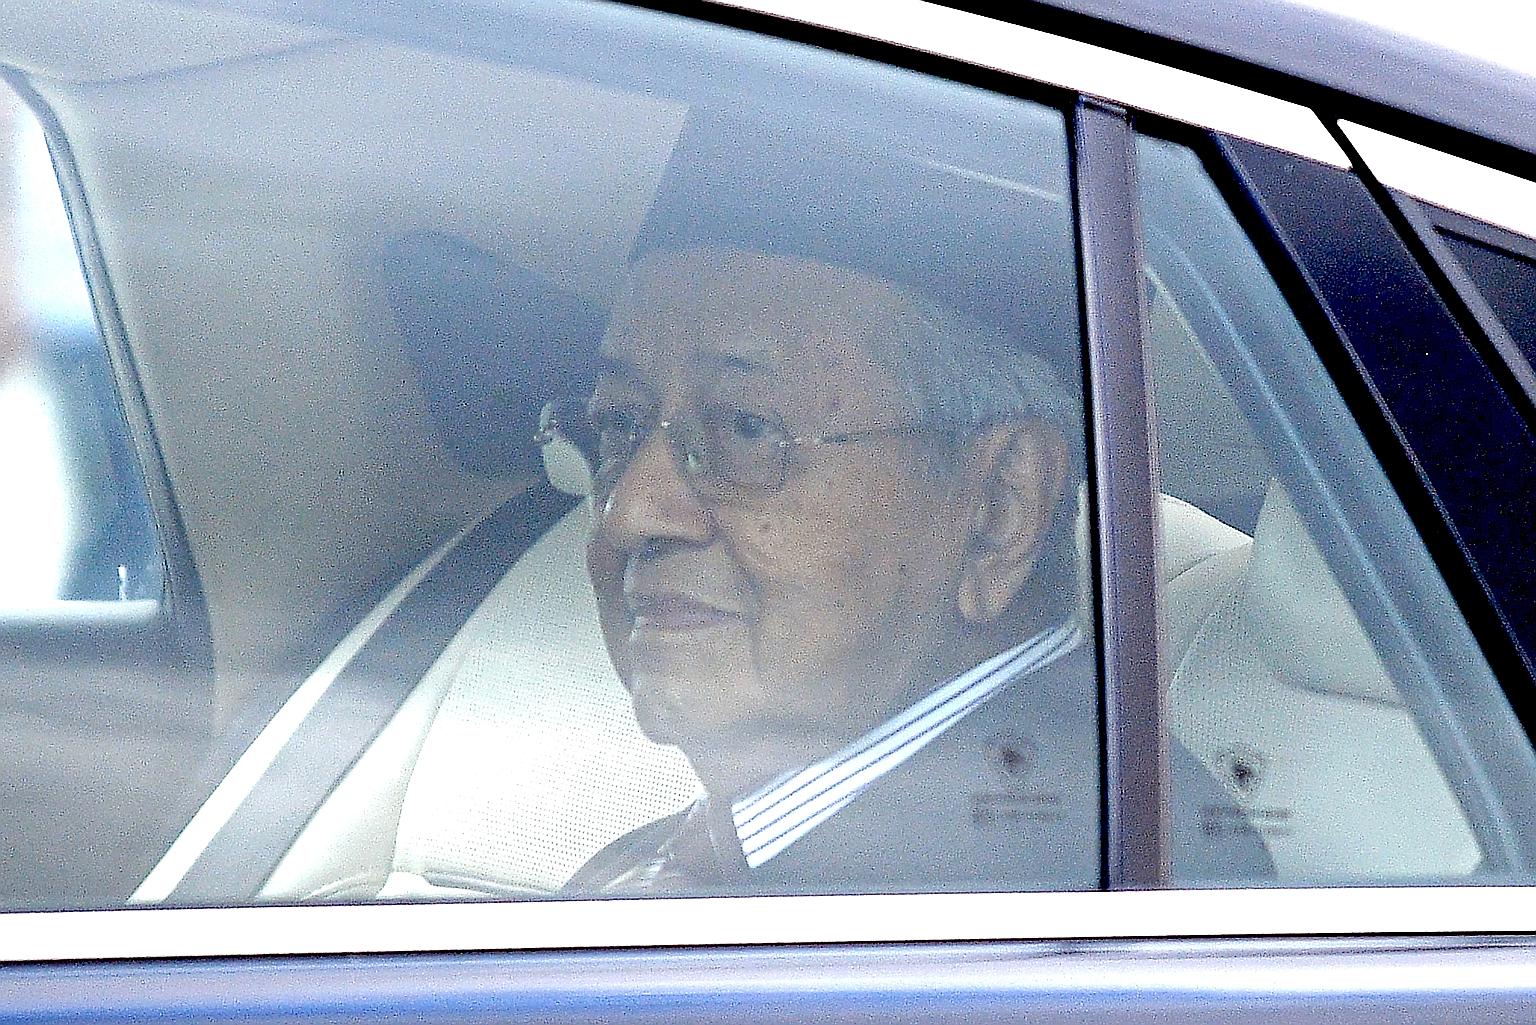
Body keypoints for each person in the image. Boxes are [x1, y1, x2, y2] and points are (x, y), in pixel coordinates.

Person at [558, 243, 1101, 894]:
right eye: (620, 424)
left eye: (749, 427)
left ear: (997, 510)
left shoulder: (1015, 919)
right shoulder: (757, 869)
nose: (629, 514)